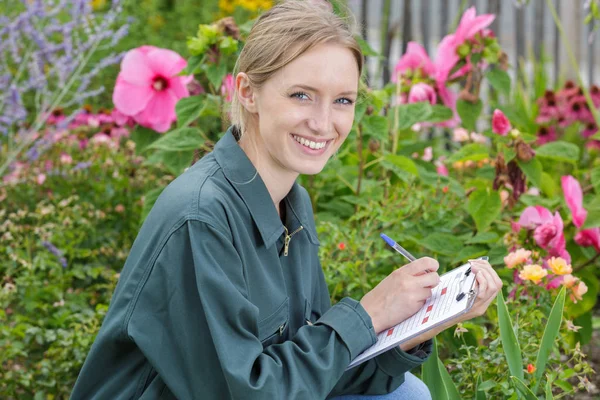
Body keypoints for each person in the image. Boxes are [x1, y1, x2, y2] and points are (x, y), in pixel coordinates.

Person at [71, 1, 503, 399]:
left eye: (343, 101)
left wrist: (415, 325)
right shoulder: (201, 217)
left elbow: (312, 370)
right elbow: (246, 392)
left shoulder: (291, 204)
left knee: (407, 393)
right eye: (301, 95)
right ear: (247, 92)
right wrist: (368, 314)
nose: (323, 123)